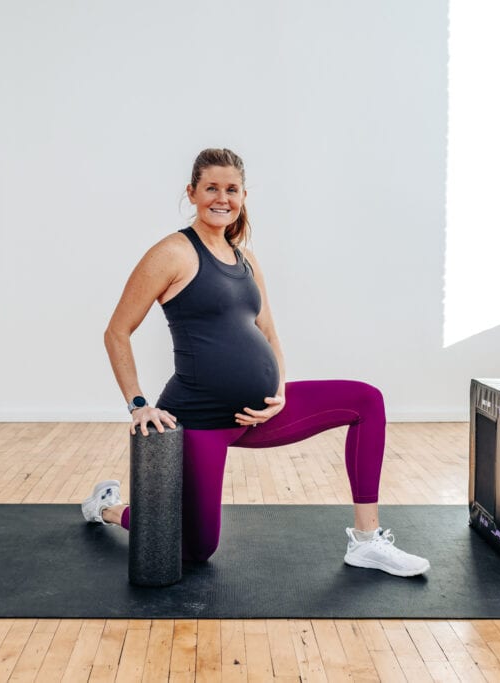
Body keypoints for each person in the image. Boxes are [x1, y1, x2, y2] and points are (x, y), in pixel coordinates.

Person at [83, 148, 429, 577]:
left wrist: (279, 390)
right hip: (201, 421)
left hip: (260, 414)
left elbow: (269, 333)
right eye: (211, 188)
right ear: (192, 193)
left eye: (231, 189)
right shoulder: (172, 253)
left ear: (244, 195)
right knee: (196, 549)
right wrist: (138, 404)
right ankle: (110, 508)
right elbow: (116, 331)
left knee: (367, 401)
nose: (221, 198)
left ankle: (366, 542)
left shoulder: (246, 259)